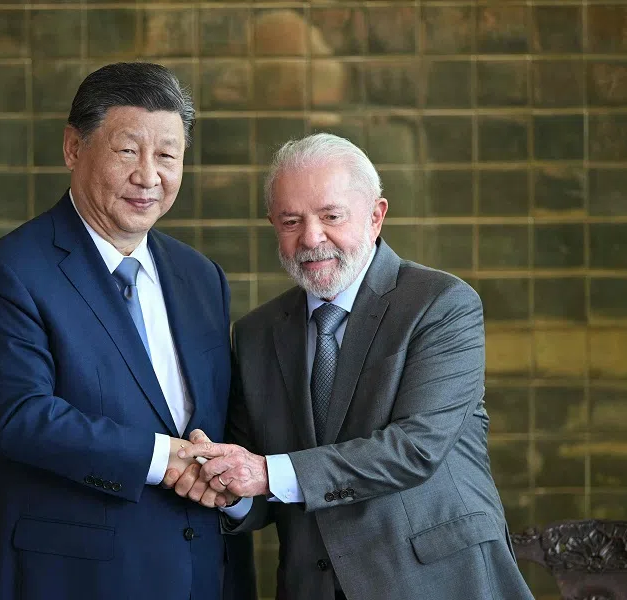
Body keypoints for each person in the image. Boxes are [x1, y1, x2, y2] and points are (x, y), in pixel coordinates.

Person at [173, 133, 535, 600]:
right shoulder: (256, 334)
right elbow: (260, 479)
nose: (311, 237)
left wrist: (264, 473)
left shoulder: (441, 305)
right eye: (291, 220)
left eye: (331, 216)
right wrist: (227, 484)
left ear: (376, 216)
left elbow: (415, 448)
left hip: (435, 581)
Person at [0, 62, 254, 600]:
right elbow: (20, 417)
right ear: (74, 148)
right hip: (74, 579)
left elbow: (220, 418)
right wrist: (167, 459)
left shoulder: (200, 277)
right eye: (127, 151)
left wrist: (235, 479)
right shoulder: (7, 273)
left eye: (167, 155)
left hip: (201, 573)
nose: (149, 176)